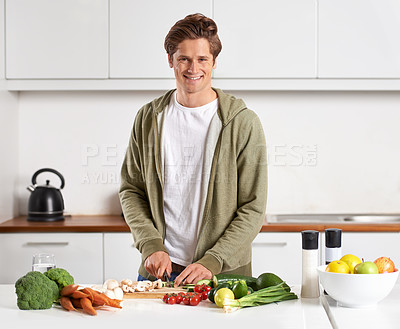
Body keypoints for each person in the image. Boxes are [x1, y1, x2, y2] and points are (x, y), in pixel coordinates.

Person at [119, 13, 267, 286]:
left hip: (222, 273)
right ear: (170, 60)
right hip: (158, 270)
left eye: (202, 59)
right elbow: (131, 190)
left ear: (213, 63)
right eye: (184, 58)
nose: (192, 68)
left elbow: (253, 207)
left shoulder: (242, 122)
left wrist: (213, 260)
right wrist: (150, 244)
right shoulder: (149, 119)